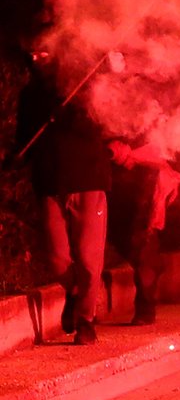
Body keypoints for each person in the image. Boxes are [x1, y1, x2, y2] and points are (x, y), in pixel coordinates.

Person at [14, 45, 113, 345]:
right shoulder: (30, 95)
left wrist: (68, 114)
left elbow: (99, 124)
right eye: (33, 55)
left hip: (88, 180)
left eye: (43, 54)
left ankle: (86, 321)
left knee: (87, 258)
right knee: (57, 259)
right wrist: (15, 157)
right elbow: (25, 137)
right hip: (50, 183)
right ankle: (75, 291)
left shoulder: (83, 87)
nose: (37, 60)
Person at [106, 140, 180, 324]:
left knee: (143, 240)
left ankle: (145, 307)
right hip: (116, 174)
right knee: (128, 243)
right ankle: (150, 276)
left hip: (145, 174)